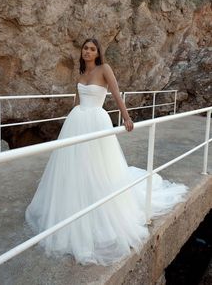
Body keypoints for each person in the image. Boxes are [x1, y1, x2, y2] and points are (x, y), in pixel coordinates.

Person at [25, 38, 187, 266]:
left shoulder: (104, 69)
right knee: (73, 166)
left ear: (98, 53)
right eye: (85, 48)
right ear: (81, 52)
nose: (88, 51)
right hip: (77, 121)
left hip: (97, 121)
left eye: (92, 49)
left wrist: (127, 117)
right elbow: (76, 101)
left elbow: (116, 94)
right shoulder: (80, 74)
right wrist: (69, 124)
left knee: (98, 165)